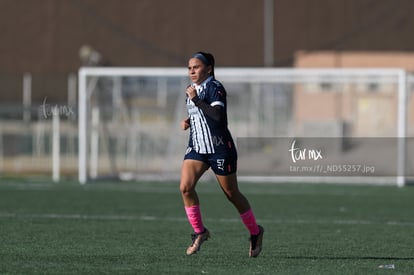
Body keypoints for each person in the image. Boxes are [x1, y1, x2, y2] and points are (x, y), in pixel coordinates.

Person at [179, 51, 264, 257]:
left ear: (208, 69)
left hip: (219, 149)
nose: (192, 70)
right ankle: (200, 232)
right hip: (198, 148)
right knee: (185, 187)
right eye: (190, 67)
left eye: (196, 67)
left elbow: (217, 116)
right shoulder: (193, 90)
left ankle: (255, 231)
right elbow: (201, 113)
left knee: (231, 194)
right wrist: (189, 120)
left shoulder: (215, 88)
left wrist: (197, 101)